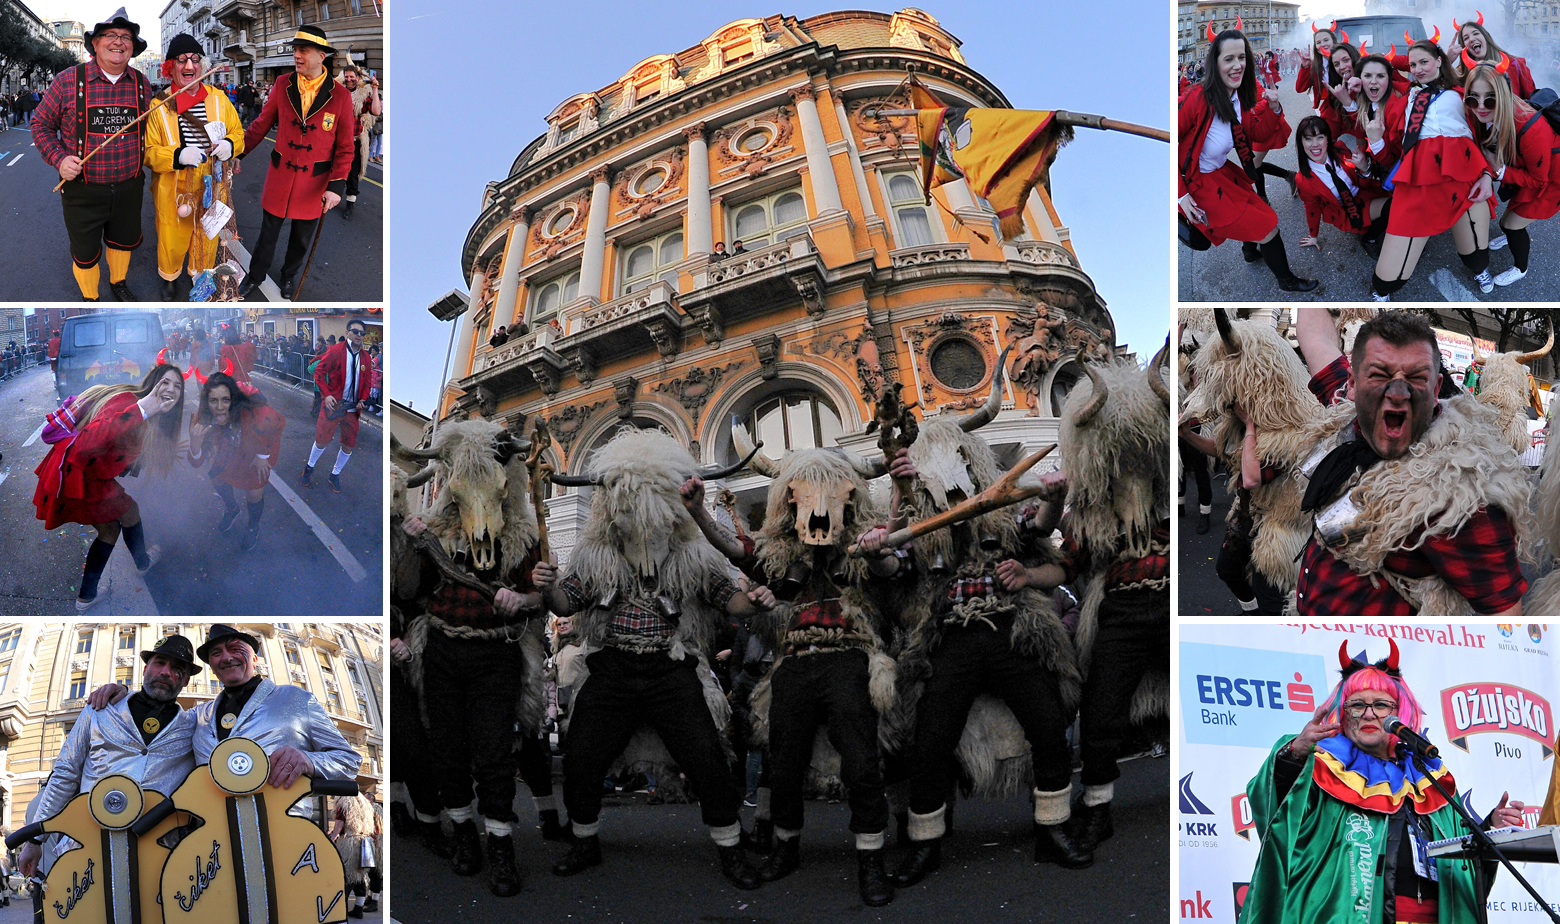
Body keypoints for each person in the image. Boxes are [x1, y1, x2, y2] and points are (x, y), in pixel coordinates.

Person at [531, 429, 772, 890]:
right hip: (613, 666)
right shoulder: (596, 555)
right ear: (614, 510)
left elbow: (730, 602)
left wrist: (754, 600)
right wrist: (545, 585)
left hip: (670, 666)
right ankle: (585, 840)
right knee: (581, 756)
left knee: (706, 757)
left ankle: (730, 846)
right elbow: (565, 603)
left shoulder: (694, 556)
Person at [1241, 640, 1528, 923]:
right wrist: (1294, 753)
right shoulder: (1322, 767)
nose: (1368, 713)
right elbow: (1275, 814)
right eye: (1356, 705)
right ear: (1343, 712)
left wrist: (1490, 827)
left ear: (1398, 712)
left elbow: (1462, 859)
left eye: (1380, 704)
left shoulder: (1426, 773)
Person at [1291, 306, 1528, 614]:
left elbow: (1506, 622)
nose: (1398, 392)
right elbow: (1316, 339)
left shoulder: (1463, 498)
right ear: (1352, 384)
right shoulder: (1348, 414)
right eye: (1379, 375)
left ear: (1436, 389)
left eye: (1416, 378)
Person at [19, 635, 200, 882]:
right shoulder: (99, 709)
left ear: (186, 680)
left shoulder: (194, 725)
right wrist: (34, 840)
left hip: (158, 862)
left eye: (178, 669)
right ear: (146, 668)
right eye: (160, 662)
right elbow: (65, 772)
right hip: (86, 850)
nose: (167, 672)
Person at [32, 363, 183, 611]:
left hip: (86, 474)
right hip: (75, 473)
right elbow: (86, 443)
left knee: (115, 524)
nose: (171, 389)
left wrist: (167, 449)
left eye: (178, 386)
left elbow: (119, 454)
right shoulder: (128, 401)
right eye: (165, 382)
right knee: (123, 518)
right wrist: (142, 410)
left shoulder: (149, 414)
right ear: (152, 382)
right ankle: (136, 568)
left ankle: (89, 595)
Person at [31, 8, 157, 302]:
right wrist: (59, 159)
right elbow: (40, 124)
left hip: (129, 187)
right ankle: (91, 298)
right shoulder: (67, 80)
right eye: (110, 35)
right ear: (95, 43)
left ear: (132, 47)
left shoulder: (142, 84)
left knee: (122, 242)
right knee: (85, 252)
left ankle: (118, 282)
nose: (118, 42)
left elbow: (153, 133)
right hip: (82, 191)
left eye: (125, 37)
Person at [1179, 28, 1317, 292]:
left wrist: (1275, 108)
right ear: (1214, 63)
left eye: (1241, 57)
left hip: (1222, 175)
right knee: (1268, 226)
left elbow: (1256, 134)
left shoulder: (1238, 96)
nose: (1237, 65)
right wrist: (1180, 195)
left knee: (1256, 210)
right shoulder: (1198, 97)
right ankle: (1286, 280)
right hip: (1201, 185)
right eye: (1228, 59)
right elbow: (1173, 145)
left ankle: (1250, 251)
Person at [1367, 40, 1494, 300]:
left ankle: (1480, 269)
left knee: (1475, 256)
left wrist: (1487, 175)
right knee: (1387, 278)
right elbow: (1392, 157)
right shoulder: (1402, 103)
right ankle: (1382, 294)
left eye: (1424, 62)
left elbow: (1488, 140)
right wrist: (1374, 140)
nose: (1417, 69)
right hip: (1416, 185)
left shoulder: (1462, 94)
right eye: (1413, 64)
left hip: (1464, 179)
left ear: (1439, 60)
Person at [237, 25, 355, 299]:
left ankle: (288, 277)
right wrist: (236, 153)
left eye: (303, 50)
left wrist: (336, 187)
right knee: (267, 235)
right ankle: (255, 276)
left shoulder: (341, 96)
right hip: (280, 176)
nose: (297, 56)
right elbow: (260, 125)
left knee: (301, 240)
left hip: (315, 182)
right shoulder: (282, 84)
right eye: (295, 50)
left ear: (320, 56)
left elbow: (345, 148)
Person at [145, 34, 244, 302]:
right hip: (173, 186)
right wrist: (177, 155)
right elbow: (150, 152)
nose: (189, 65)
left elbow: (237, 131)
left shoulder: (219, 99)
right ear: (170, 67)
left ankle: (199, 275)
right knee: (172, 235)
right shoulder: (159, 106)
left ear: (202, 65)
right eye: (181, 60)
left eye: (195, 59)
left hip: (212, 182)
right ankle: (169, 276)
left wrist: (230, 146)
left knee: (207, 235)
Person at [1468, 62, 1560, 288]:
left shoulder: (1531, 128)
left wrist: (1499, 172)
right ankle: (1512, 233)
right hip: (1530, 170)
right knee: (1510, 218)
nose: (1480, 107)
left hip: (1551, 181)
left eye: (1490, 99)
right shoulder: (1498, 114)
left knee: (1510, 224)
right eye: (1472, 98)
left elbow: (1539, 180)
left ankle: (1520, 267)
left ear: (1504, 94)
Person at [187, 372, 283, 550]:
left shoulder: (256, 411)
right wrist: (195, 444)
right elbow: (197, 461)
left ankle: (253, 526)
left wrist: (263, 457)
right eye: (213, 401)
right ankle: (232, 508)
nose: (220, 407)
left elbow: (277, 424)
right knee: (215, 475)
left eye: (226, 400)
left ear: (234, 399)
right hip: (227, 447)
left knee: (254, 493)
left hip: (254, 450)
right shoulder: (203, 416)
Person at [1293, 115, 1390, 257]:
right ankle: (1370, 239)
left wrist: (1364, 168)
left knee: (1400, 204)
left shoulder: (1340, 149)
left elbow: (1362, 183)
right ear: (1301, 143)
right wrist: (1314, 235)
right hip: (1347, 211)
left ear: (1327, 138)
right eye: (1308, 139)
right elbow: (1311, 209)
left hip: (1364, 194)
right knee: (1391, 208)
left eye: (1320, 137)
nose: (1315, 144)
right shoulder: (1303, 179)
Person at [304, 317, 377, 491]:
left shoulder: (366, 358)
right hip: (333, 406)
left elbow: (367, 383)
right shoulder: (335, 351)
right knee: (322, 441)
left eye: (362, 333)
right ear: (347, 333)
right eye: (355, 332)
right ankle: (309, 467)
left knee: (348, 445)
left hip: (352, 410)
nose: (359, 335)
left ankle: (335, 474)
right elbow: (319, 372)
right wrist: (326, 395)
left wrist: (362, 399)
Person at [1452, 18, 1537, 100]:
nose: (1472, 39)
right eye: (1466, 38)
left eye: (1476, 33)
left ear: (1486, 37)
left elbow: (1533, 103)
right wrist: (1447, 60)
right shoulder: (1461, 74)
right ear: (1463, 47)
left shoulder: (1515, 65)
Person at [330, 793, 382, 919]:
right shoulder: (367, 806)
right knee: (360, 876)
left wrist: (332, 838)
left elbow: (339, 824)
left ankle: (341, 911)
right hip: (365, 842)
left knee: (347, 876)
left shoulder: (345, 803)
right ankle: (358, 909)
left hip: (350, 843)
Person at [338, 66, 380, 221]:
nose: (349, 79)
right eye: (346, 77)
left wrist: (375, 89)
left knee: (352, 174)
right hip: (337, 140)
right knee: (333, 169)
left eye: (352, 77)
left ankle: (350, 204)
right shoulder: (338, 92)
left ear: (357, 78)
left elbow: (376, 111)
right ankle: (329, 196)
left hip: (355, 140)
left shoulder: (364, 94)